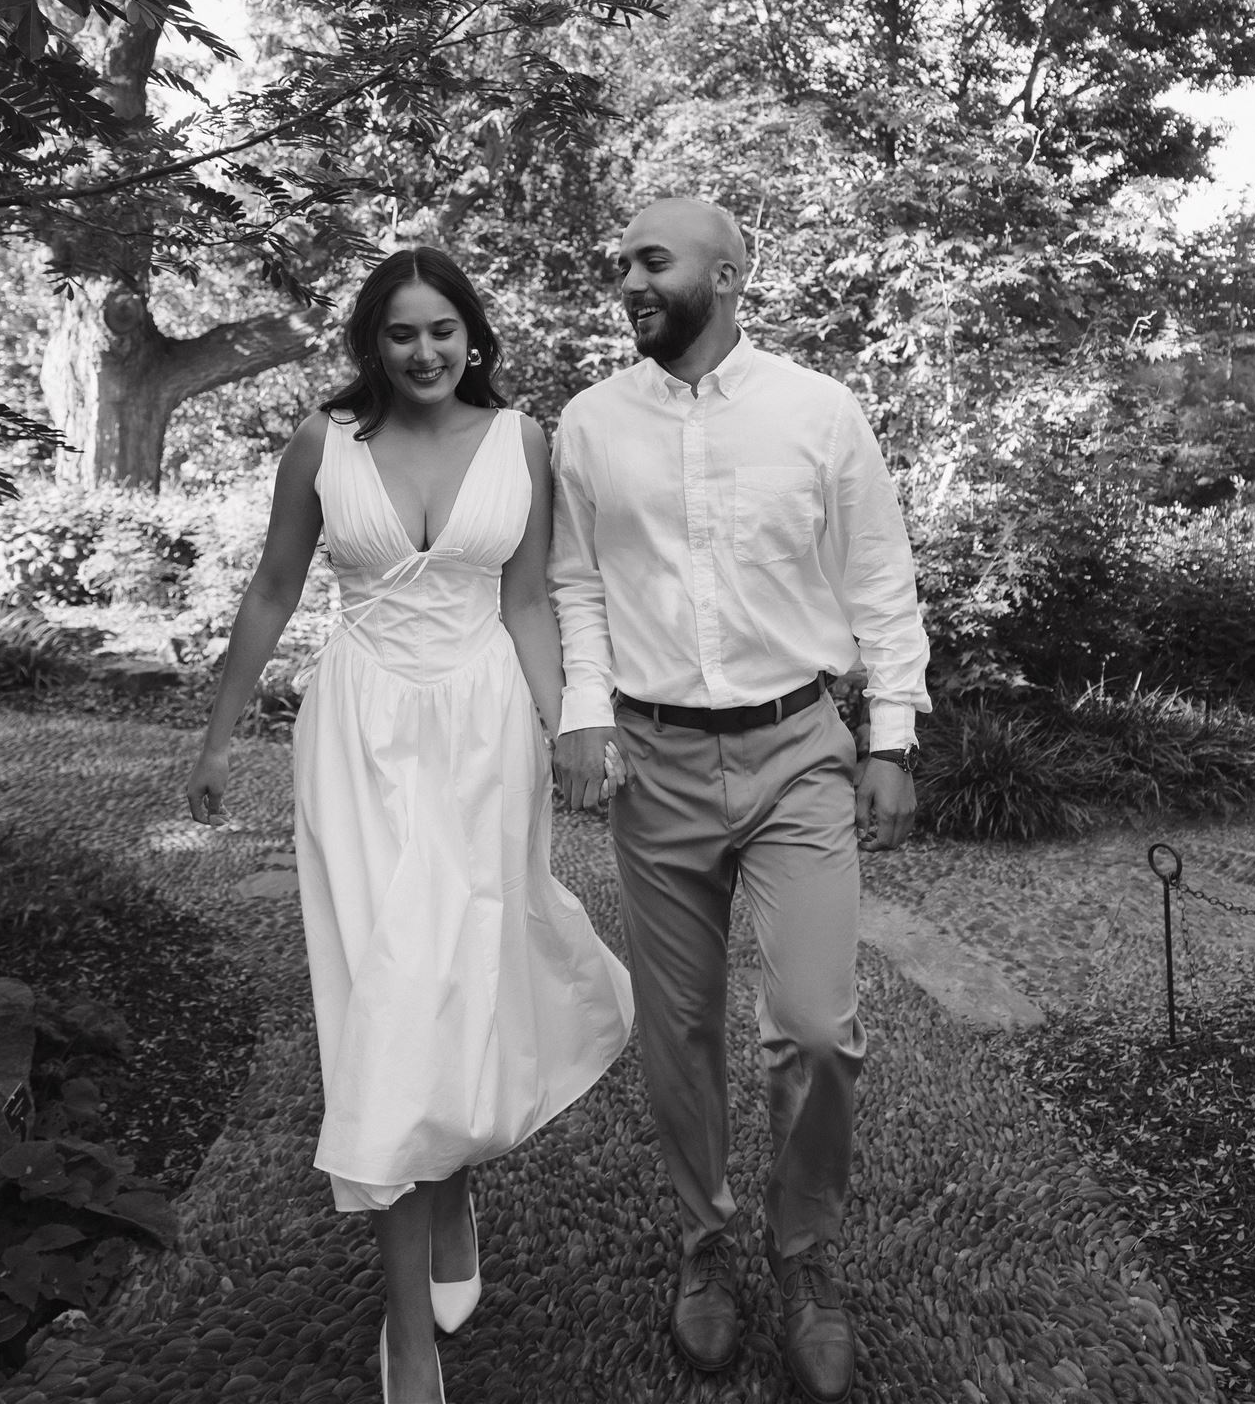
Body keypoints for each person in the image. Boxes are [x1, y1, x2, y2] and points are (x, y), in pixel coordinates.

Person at [186, 247, 633, 1404]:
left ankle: (448, 1187)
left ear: (471, 335)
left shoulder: (522, 440)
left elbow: (528, 597)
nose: (425, 352)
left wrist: (573, 726)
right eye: (401, 334)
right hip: (361, 732)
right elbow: (275, 587)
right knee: (382, 996)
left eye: (444, 330)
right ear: (369, 346)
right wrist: (218, 734)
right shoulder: (320, 446)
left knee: (467, 975)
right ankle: (407, 1330)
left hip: (485, 736)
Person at [549, 197, 930, 1404]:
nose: (629, 281)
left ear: (728, 270)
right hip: (654, 760)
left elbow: (879, 570)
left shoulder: (818, 409)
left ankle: (806, 1256)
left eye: (651, 259)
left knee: (816, 1022)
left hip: (795, 748)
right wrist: (584, 711)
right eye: (623, 265)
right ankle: (704, 1241)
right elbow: (575, 583)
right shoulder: (589, 421)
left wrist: (892, 730)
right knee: (682, 1033)